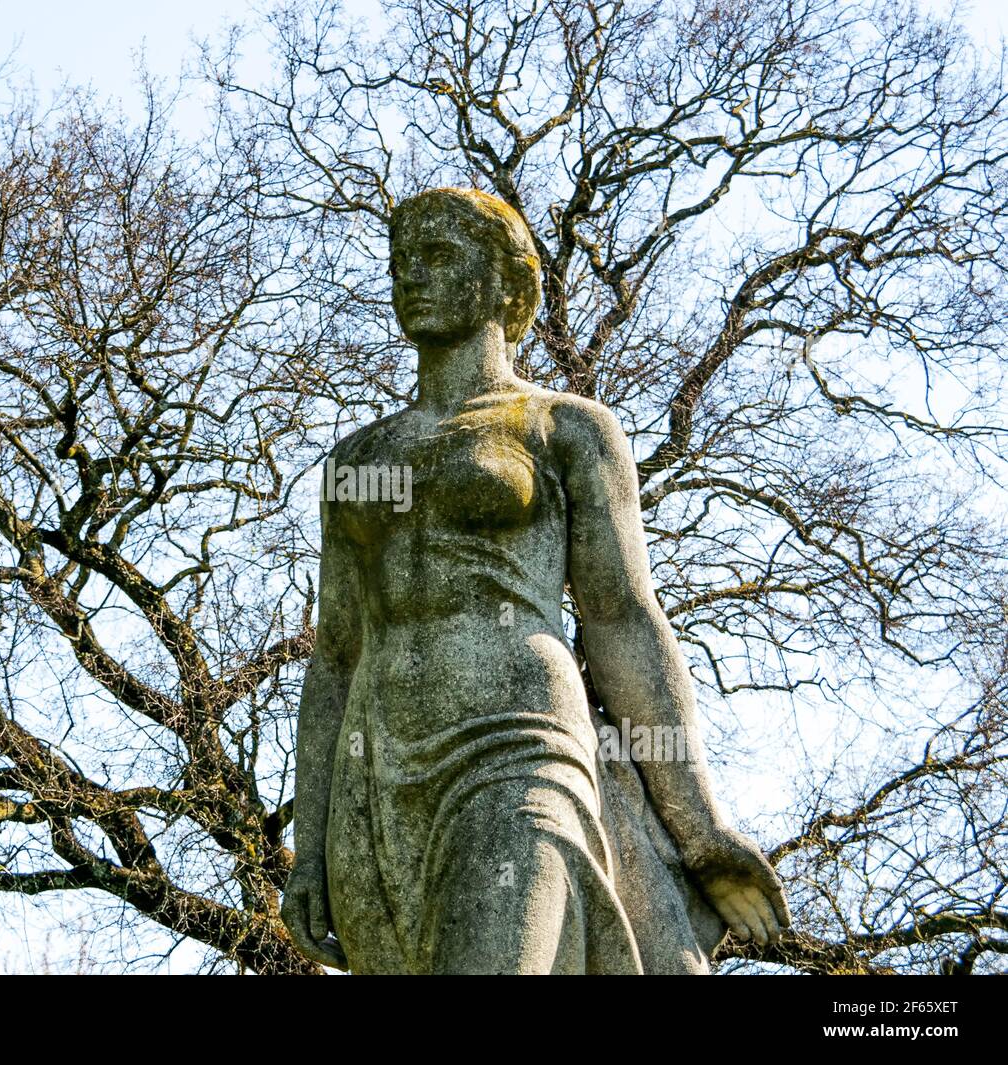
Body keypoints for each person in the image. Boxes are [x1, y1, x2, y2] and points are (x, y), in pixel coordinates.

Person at [282, 187, 790, 974]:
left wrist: (699, 824)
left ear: (506, 284)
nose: (410, 276)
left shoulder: (567, 429)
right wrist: (308, 842)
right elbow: (337, 654)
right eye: (400, 260)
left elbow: (622, 617)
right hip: (378, 773)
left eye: (439, 256)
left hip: (517, 744)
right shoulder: (355, 463)